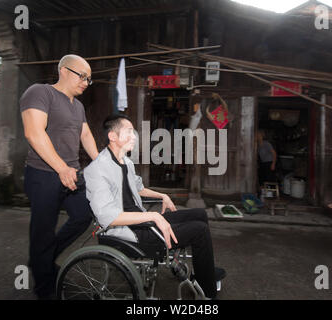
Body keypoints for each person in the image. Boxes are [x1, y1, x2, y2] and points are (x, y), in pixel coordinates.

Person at [84, 114, 226, 299]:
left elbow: (139, 188)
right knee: (199, 230)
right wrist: (153, 216)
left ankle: (202, 274)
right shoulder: (97, 169)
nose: (134, 136)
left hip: (142, 220)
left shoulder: (125, 161)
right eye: (129, 132)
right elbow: (107, 217)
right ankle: (206, 289)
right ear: (112, 136)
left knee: (199, 214)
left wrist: (162, 195)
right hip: (128, 231)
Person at [20, 54, 99, 299]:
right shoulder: (40, 93)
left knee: (83, 215)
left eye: (89, 79)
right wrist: (60, 167)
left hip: (72, 173)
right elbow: (34, 133)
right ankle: (44, 290)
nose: (86, 82)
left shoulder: (78, 106)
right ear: (64, 70)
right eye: (83, 76)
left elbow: (85, 135)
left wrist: (102, 162)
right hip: (43, 175)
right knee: (42, 231)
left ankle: (42, 259)